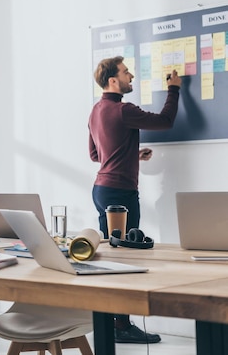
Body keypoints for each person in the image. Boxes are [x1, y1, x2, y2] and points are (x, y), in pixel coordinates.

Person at [88, 55, 182, 344]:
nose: (131, 77)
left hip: (102, 190)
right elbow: (165, 121)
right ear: (113, 80)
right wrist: (174, 89)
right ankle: (122, 326)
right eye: (126, 72)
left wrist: (132, 154)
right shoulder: (123, 109)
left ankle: (113, 323)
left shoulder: (95, 111)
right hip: (121, 194)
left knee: (111, 258)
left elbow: (95, 155)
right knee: (125, 259)